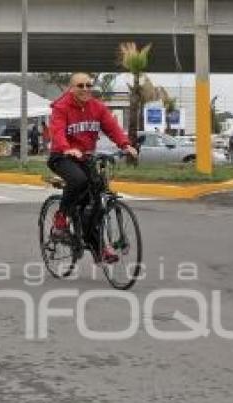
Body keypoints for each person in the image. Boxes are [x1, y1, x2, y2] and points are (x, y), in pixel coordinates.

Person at [47, 72, 137, 263]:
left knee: (96, 201)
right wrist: (67, 148)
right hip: (62, 156)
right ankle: (61, 218)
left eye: (89, 85)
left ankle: (99, 247)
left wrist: (125, 145)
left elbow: (112, 127)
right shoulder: (61, 107)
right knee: (79, 180)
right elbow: (57, 130)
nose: (86, 89)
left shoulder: (97, 107)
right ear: (71, 88)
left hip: (86, 158)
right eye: (81, 86)